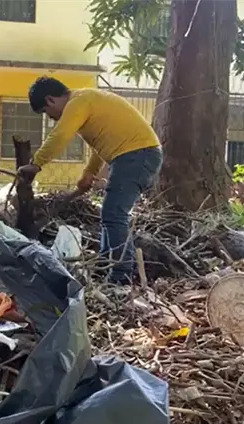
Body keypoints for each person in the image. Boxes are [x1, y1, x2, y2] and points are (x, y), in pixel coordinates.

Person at [18, 76, 163, 284]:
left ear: (50, 100)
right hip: (134, 156)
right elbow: (101, 144)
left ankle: (120, 277)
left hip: (137, 155)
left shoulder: (79, 101)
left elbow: (60, 135)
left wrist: (36, 163)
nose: (50, 118)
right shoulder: (87, 101)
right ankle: (106, 268)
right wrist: (89, 172)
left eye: (45, 112)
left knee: (114, 215)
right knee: (110, 215)